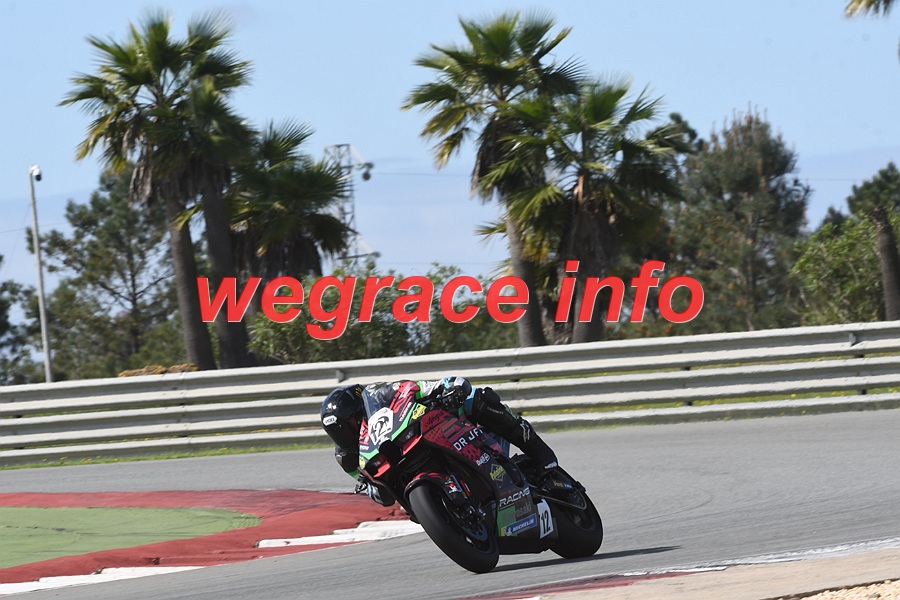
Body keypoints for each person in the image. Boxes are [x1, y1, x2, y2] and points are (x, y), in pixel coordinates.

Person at [320, 376, 558, 506]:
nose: (347, 433)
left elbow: (416, 388)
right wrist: (375, 489)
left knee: (477, 398)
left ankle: (540, 453)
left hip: (434, 429)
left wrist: (448, 388)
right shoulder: (348, 458)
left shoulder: (381, 395)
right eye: (338, 431)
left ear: (360, 410)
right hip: (408, 478)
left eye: (350, 423)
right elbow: (379, 494)